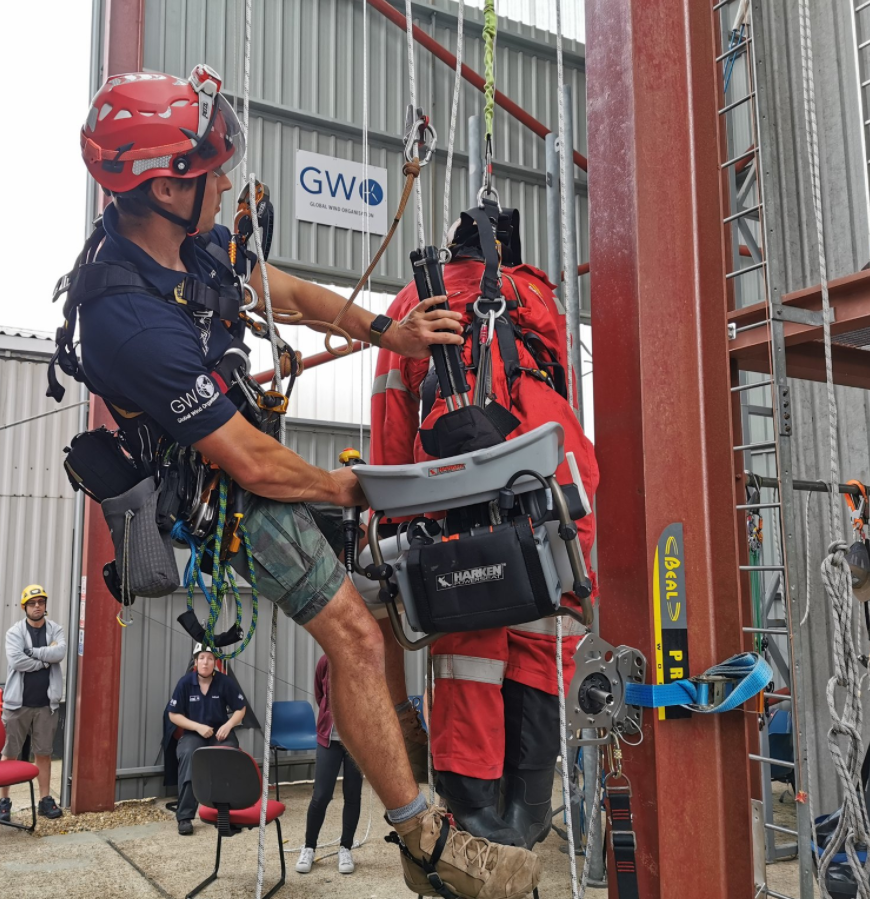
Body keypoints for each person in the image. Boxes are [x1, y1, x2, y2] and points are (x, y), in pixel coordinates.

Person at [58, 65, 542, 896]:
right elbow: (248, 462)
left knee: (377, 602)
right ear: (163, 186)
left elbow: (280, 289)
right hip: (222, 492)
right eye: (210, 170)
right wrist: (348, 487)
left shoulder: (184, 240)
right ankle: (425, 841)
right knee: (352, 632)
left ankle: (392, 741)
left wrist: (390, 330)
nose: (224, 182)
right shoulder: (124, 318)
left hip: (245, 453)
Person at [369, 216, 600, 849]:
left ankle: (472, 806)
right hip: (554, 489)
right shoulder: (538, 298)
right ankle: (530, 802)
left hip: (459, 493)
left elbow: (392, 413)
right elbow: (562, 389)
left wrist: (392, 520)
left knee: (471, 643)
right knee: (543, 636)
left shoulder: (413, 302)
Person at [0, 584, 66, 822]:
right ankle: (4, 802)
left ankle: (45, 800)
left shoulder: (56, 629)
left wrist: (32, 652)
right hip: (17, 705)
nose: (37, 607)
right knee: (9, 754)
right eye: (32, 603)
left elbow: (60, 653)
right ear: (24, 607)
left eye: (41, 602)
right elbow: (17, 661)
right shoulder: (14, 632)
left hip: (46, 705)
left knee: (43, 753)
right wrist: (45, 660)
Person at [167, 645, 247, 835]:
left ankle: (225, 815)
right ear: (196, 662)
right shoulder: (185, 683)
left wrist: (229, 725)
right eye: (202, 658)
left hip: (220, 733)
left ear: (214, 662)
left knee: (228, 758)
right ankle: (185, 817)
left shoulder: (224, 682)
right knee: (189, 758)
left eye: (210, 658)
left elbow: (240, 708)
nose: (205, 662)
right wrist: (197, 727)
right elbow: (173, 715)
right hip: (194, 734)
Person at [296, 654, 362, 875]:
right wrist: (328, 713)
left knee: (352, 795)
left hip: (356, 742)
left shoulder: (363, 660)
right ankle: (309, 847)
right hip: (328, 739)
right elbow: (320, 693)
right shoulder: (326, 660)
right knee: (321, 795)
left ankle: (345, 848)